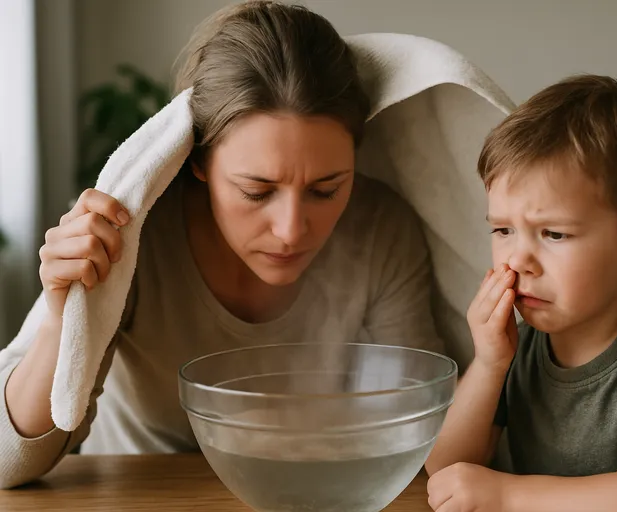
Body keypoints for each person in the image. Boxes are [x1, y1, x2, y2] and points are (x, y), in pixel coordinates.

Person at [0, 1, 443, 489]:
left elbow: (413, 427)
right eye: (256, 191)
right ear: (196, 160)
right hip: (139, 496)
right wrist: (66, 321)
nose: (292, 230)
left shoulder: (381, 230)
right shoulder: (130, 236)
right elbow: (5, 464)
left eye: (326, 189)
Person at [424, 75, 617, 512]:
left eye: (553, 233)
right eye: (503, 230)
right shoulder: (518, 347)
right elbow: (446, 469)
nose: (517, 261)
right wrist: (489, 362)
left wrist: (509, 495)